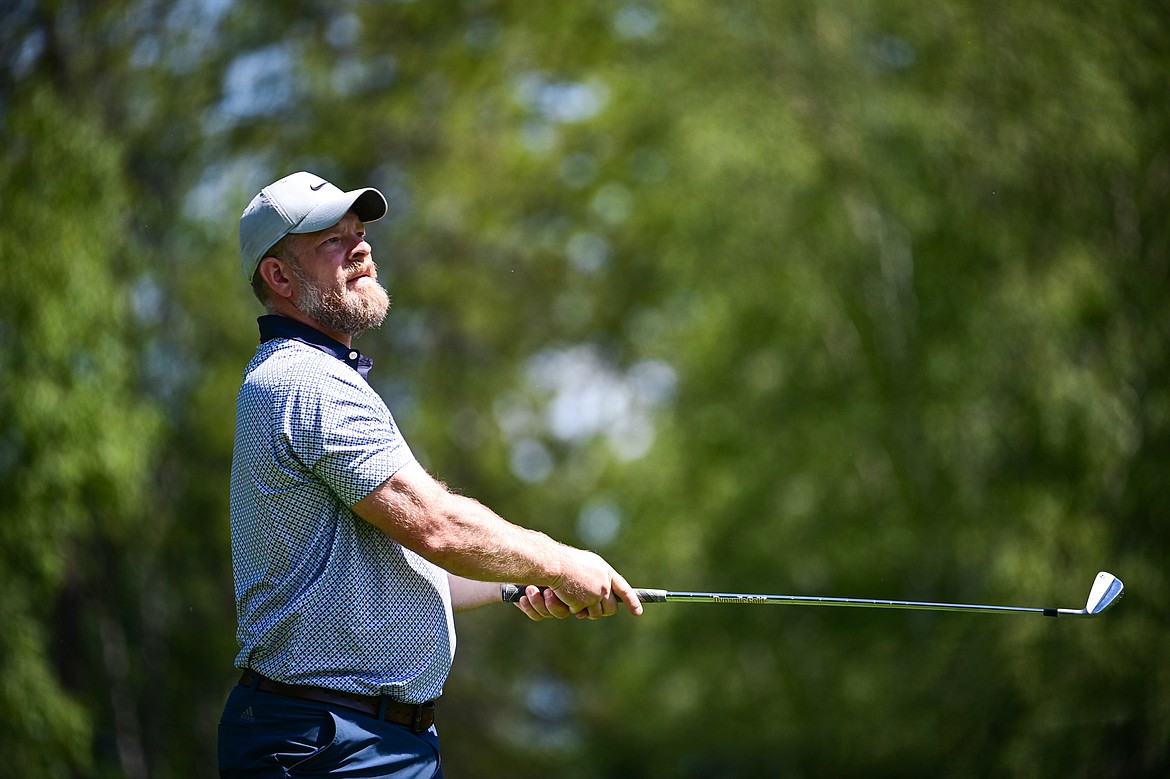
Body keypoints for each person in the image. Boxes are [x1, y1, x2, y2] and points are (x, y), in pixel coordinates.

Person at [218, 171, 644, 778]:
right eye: (330, 241)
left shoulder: (317, 377)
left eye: (358, 233)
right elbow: (436, 527)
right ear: (279, 277)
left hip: (366, 741)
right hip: (330, 743)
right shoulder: (304, 381)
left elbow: (403, 567)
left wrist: (514, 583)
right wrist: (556, 557)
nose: (360, 247)